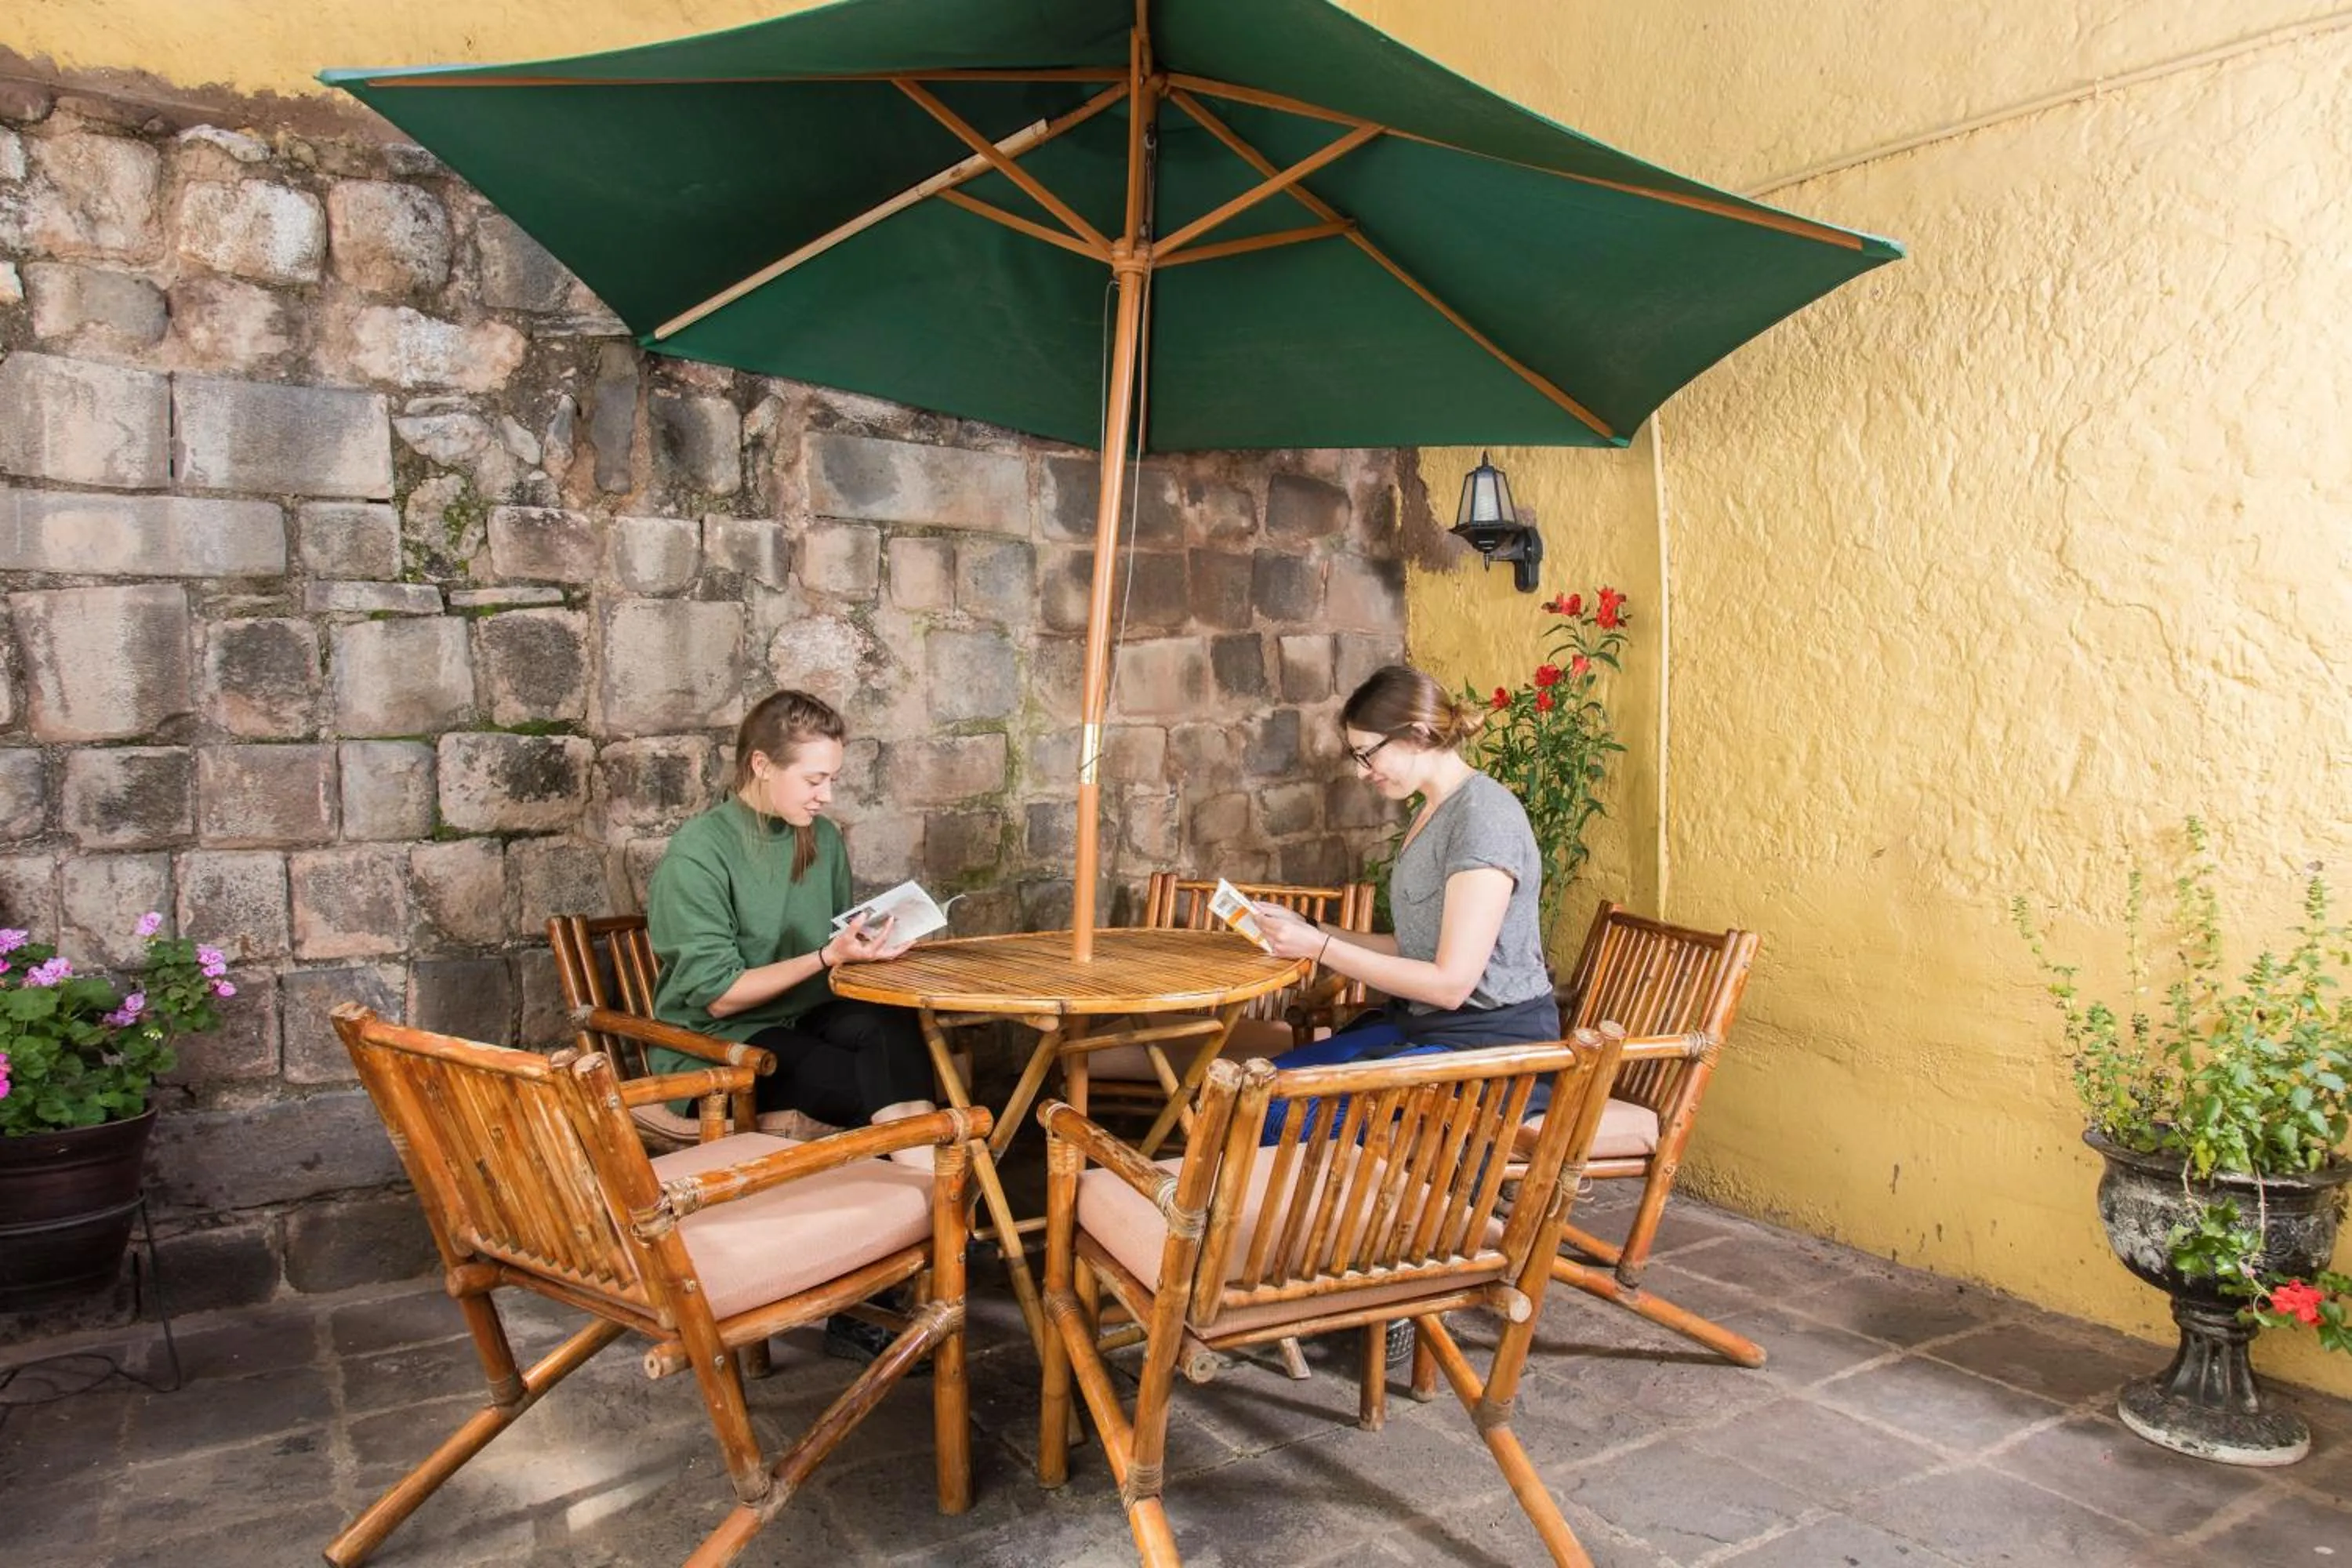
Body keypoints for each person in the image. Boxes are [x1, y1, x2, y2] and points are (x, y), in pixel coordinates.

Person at [644, 688, 935, 1362]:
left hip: (803, 1013)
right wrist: (831, 955)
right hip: (718, 1048)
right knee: (871, 1089)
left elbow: (829, 951)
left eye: (832, 777)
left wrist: (870, 948)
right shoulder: (698, 854)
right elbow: (718, 997)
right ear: (760, 766)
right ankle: (923, 1235)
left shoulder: (820, 838)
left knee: (897, 1034)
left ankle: (921, 1223)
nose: (826, 795)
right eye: (815, 779)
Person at [1251, 663, 1559, 1074]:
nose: (1362, 772)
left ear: (1417, 734)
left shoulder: (1483, 818)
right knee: (1249, 1088)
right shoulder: (1431, 812)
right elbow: (1411, 946)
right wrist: (1311, 928)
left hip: (1489, 1051)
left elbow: (1451, 986)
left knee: (1264, 1110)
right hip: (1425, 1030)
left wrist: (1318, 949)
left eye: (1367, 754)